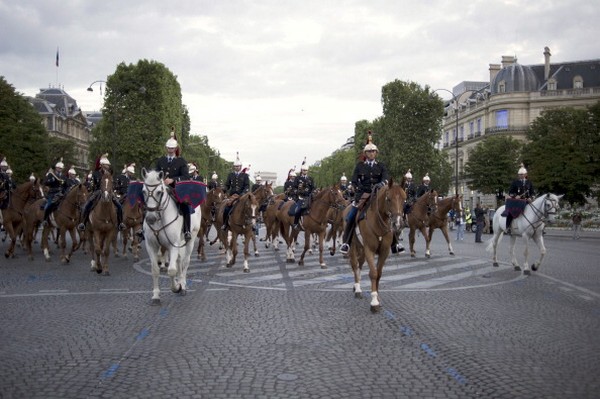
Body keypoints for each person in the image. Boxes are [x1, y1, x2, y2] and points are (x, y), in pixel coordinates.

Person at [340, 132, 392, 255]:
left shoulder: (381, 166)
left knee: (390, 215)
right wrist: (357, 187)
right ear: (365, 154)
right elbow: (354, 180)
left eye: (373, 151)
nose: (371, 153)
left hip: (378, 195)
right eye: (369, 152)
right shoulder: (360, 166)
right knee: (351, 216)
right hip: (363, 195)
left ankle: (395, 243)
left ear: (376, 153)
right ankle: (346, 242)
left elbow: (385, 178)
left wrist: (381, 184)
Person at [153, 131, 192, 240]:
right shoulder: (161, 160)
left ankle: (187, 230)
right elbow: (156, 173)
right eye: (168, 148)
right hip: (161, 188)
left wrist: (173, 180)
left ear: (175, 149)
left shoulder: (181, 161)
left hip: (176, 189)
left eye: (172, 148)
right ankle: (143, 228)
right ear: (166, 148)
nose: (170, 150)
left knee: (185, 205)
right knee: (148, 201)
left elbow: (186, 177)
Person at [78, 154, 125, 232]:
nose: (108, 166)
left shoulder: (109, 174)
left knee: (119, 206)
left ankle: (120, 223)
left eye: (108, 165)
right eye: (106, 165)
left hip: (109, 192)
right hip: (97, 192)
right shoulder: (95, 173)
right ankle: (83, 223)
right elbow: (92, 185)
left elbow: (112, 184)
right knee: (86, 206)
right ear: (102, 165)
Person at [222, 153, 250, 231]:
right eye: (235, 166)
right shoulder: (230, 175)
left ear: (240, 167)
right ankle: (225, 224)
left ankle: (250, 224)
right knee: (226, 209)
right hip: (232, 195)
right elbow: (227, 185)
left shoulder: (245, 176)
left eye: (237, 166)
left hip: (242, 195)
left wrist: (243, 193)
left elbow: (247, 186)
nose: (236, 168)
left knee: (249, 208)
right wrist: (224, 189)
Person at [505, 164, 535, 235]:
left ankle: (538, 228)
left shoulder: (529, 182)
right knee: (510, 212)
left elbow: (532, 192)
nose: (521, 176)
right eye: (520, 174)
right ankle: (508, 227)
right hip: (517, 201)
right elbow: (511, 192)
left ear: (525, 174)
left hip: (527, 201)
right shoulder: (515, 182)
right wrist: (515, 196)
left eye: (522, 174)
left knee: (537, 211)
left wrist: (531, 197)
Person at [291, 159, 315, 231]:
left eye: (306, 170)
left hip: (309, 197)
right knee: (298, 210)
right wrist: (298, 192)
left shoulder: (310, 178)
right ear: (301, 171)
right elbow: (294, 188)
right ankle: (295, 223)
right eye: (304, 170)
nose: (305, 172)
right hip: (301, 197)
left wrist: (312, 192)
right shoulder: (298, 178)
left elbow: (313, 188)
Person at [42, 159, 67, 226]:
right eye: (58, 168)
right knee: (49, 205)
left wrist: (65, 191)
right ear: (56, 168)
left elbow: (66, 185)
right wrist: (51, 181)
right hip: (52, 192)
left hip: (61, 193)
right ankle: (45, 219)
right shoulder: (51, 175)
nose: (59, 169)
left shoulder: (63, 176)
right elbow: (45, 182)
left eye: (61, 168)